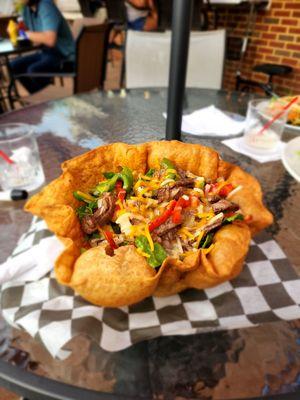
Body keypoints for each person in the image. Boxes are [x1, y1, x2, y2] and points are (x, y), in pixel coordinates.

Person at [10, 0, 75, 94]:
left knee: (34, 70)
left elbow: (50, 40)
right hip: (47, 52)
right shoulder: (26, 10)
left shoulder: (46, 6)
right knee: (14, 66)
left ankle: (52, 101)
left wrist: (24, 34)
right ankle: (42, 98)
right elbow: (34, 37)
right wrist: (18, 30)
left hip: (64, 55)